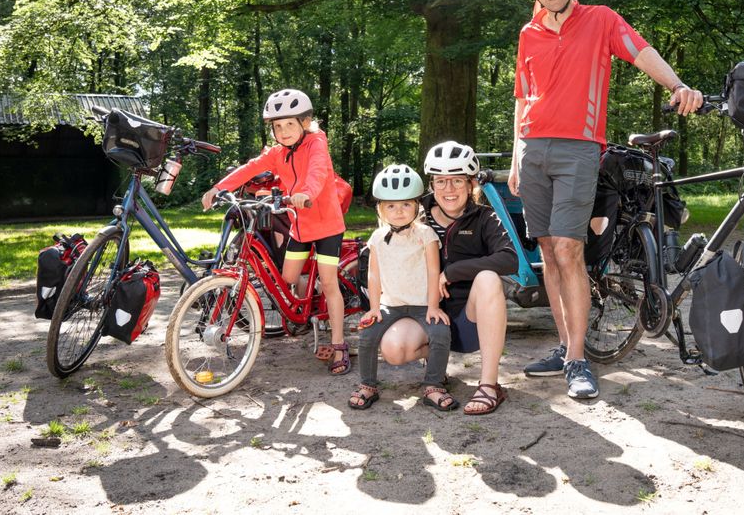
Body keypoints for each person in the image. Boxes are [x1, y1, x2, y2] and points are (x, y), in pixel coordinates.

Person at [509, 0, 704, 399]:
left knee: (569, 250)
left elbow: (641, 51)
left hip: (579, 147)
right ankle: (563, 345)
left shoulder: (600, 19)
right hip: (532, 148)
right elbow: (522, 96)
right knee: (548, 252)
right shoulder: (527, 33)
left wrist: (677, 84)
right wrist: (517, 150)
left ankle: (579, 359)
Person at [201, 89, 351, 375]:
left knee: (329, 283)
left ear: (305, 123)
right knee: (288, 279)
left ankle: (339, 343)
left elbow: (318, 172)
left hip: (328, 225)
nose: (283, 131)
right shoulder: (277, 153)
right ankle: (306, 311)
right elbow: (251, 168)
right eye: (277, 126)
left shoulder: (317, 142)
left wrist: (306, 192)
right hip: (300, 223)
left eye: (289, 124)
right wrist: (220, 188)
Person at [378, 142, 517, 415]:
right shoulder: (415, 213)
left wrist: (452, 272)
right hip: (425, 317)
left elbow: (510, 259)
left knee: (489, 278)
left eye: (457, 181)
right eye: (441, 181)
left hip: (469, 322)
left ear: (471, 184)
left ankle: (489, 385)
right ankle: (436, 360)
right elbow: (381, 249)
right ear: (431, 184)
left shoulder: (485, 217)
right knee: (393, 350)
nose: (449, 189)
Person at [348, 164, 455, 411]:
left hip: (421, 304)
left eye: (406, 204)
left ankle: (434, 384)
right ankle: (368, 385)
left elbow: (432, 272)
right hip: (391, 305)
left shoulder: (426, 234)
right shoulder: (377, 238)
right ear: (381, 209)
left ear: (417, 206)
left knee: (440, 331)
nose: (399, 211)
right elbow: (374, 275)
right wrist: (374, 308)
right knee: (366, 334)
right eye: (391, 206)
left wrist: (433, 306)